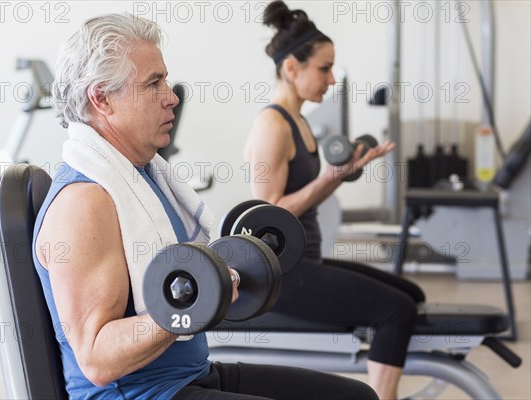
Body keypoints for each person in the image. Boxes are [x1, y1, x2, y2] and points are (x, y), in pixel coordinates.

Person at [33, 12, 378, 400]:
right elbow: (98, 359)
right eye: (153, 83)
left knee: (355, 397)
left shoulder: (143, 176)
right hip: (140, 394)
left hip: (190, 374)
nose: (172, 96)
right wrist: (201, 299)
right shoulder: (86, 202)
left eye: (164, 79)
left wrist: (223, 277)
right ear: (102, 98)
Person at [244, 2, 427, 399]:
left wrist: (341, 174)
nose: (330, 79)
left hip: (307, 261)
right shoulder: (271, 125)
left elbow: (308, 198)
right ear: (292, 68)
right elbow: (268, 216)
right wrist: (330, 175)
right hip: (282, 277)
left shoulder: (300, 122)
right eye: (324, 69)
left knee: (412, 294)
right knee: (397, 310)